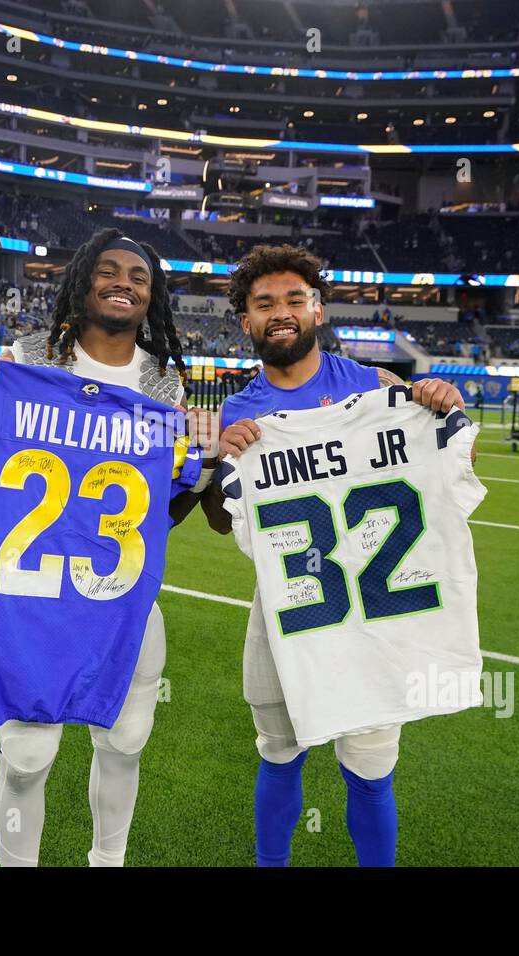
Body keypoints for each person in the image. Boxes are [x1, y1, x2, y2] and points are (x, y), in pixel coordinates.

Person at [0, 228, 196, 868]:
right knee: (26, 755)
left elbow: (162, 510)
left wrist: (204, 468)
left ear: (152, 294)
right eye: (107, 270)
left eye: (138, 276)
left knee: (127, 742)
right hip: (34, 597)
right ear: (81, 282)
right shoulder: (25, 361)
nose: (123, 282)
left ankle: (108, 861)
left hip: (120, 596)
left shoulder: (166, 386)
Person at [198, 244, 464, 868]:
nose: (281, 312)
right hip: (287, 609)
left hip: (374, 615)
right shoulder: (237, 412)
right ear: (246, 321)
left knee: (370, 767)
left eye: (295, 299)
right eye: (264, 304)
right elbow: (220, 519)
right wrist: (217, 463)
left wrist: (444, 413)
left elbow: (453, 472)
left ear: (318, 310)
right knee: (279, 749)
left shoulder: (378, 388)